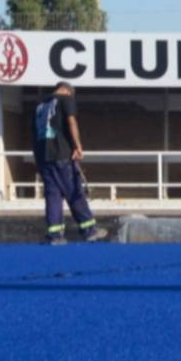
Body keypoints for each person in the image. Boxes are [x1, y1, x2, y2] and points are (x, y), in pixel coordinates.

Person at [32, 81, 107, 245]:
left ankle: (55, 235)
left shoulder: (40, 106)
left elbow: (35, 133)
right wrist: (78, 147)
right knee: (74, 192)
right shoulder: (65, 99)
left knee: (53, 196)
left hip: (44, 158)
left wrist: (38, 159)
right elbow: (71, 122)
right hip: (61, 155)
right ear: (67, 91)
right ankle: (89, 231)